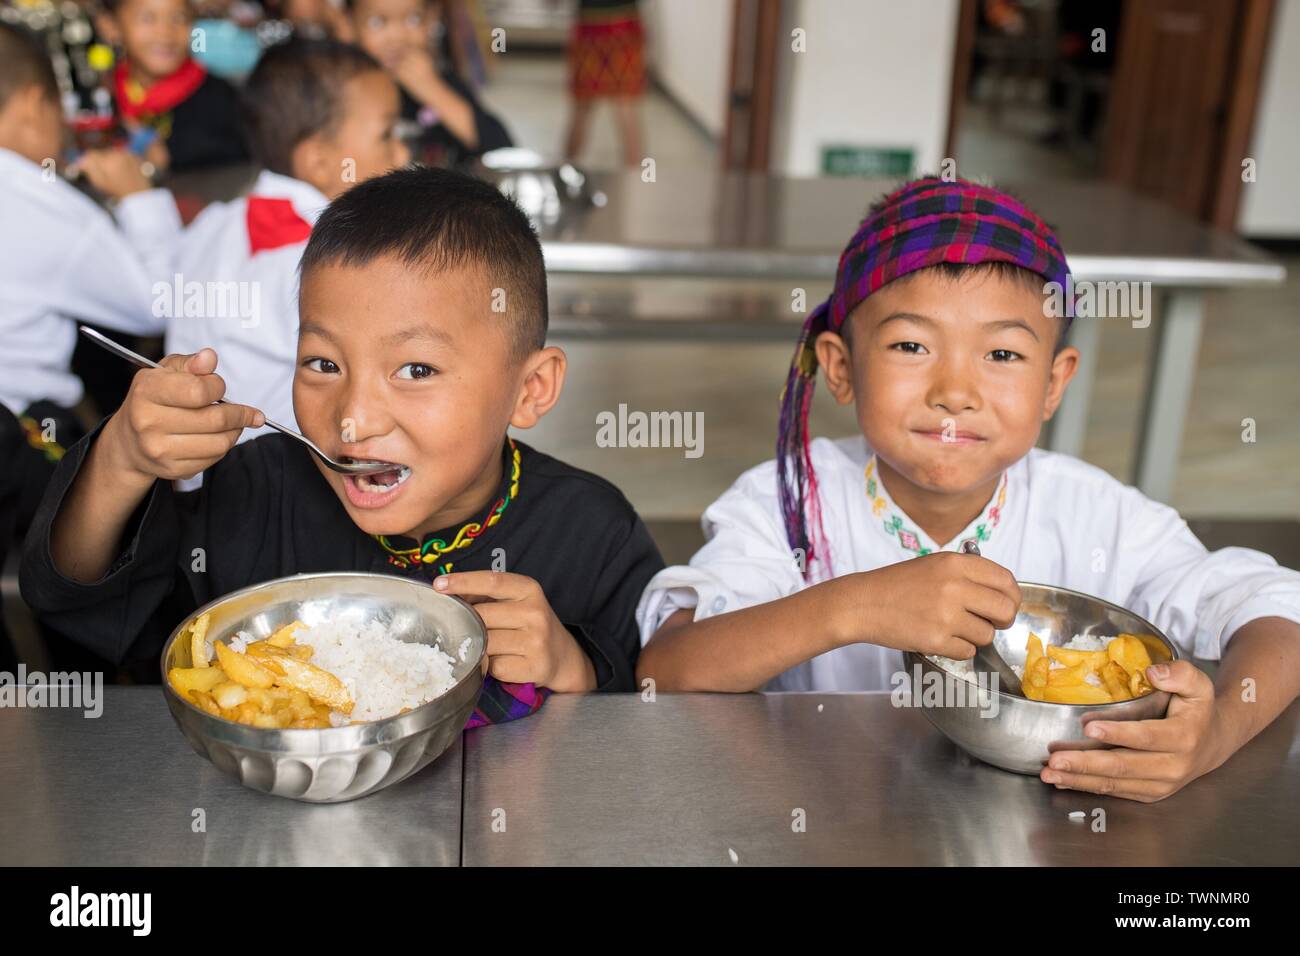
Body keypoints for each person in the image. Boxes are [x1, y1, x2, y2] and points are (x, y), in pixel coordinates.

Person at [635, 176, 1300, 801]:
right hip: (819, 816)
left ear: (1053, 384)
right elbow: (667, 669)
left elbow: (1277, 614)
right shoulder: (787, 505)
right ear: (840, 367)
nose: (955, 392)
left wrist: (1216, 735)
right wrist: (849, 609)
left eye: (1003, 355)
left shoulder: (1096, 516)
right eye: (911, 347)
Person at [21, 165, 664, 720]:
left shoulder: (593, 532)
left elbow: (660, 711)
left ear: (531, 389)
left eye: (416, 370)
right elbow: (91, 608)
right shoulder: (255, 490)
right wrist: (122, 460)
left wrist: (579, 670)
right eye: (323, 364)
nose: (353, 418)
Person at [0, 21, 182, 670]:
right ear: (30, 105)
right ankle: (120, 688)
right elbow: (158, 302)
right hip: (15, 437)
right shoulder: (30, 195)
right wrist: (139, 196)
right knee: (118, 540)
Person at [166, 37, 409, 439]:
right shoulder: (331, 261)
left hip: (192, 479)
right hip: (281, 481)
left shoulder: (214, 223)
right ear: (318, 161)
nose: (401, 155)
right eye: (387, 135)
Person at [341, 0, 511, 168]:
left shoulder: (442, 82)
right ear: (348, 23)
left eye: (414, 19)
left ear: (432, 17)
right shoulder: (342, 89)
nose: (398, 36)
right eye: (377, 22)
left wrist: (434, 91)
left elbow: (503, 152)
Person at [95, 0, 249, 172]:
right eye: (147, 18)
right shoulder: (103, 96)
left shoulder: (223, 103)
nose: (165, 33)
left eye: (179, 18)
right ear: (110, 27)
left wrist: (167, 161)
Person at [564, 0, 645, 167]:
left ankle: (565, 176)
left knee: (582, 108)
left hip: (590, 27)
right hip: (625, 26)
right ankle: (637, 181)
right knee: (625, 106)